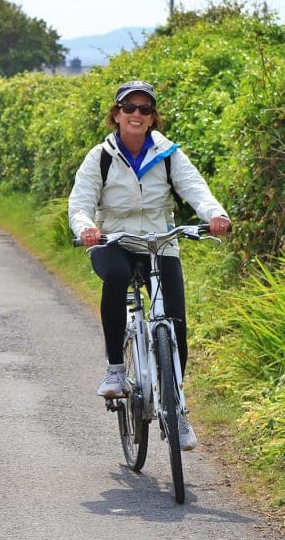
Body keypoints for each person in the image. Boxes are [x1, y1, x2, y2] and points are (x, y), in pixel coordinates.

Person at [68, 80, 231, 451]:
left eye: (144, 109)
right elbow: (80, 202)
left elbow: (195, 188)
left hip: (159, 240)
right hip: (114, 240)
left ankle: (177, 409)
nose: (137, 115)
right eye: (130, 108)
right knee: (116, 276)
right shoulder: (101, 156)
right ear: (116, 115)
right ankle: (115, 370)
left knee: (174, 323)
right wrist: (87, 227)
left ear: (153, 117)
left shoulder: (169, 153)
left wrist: (215, 214)